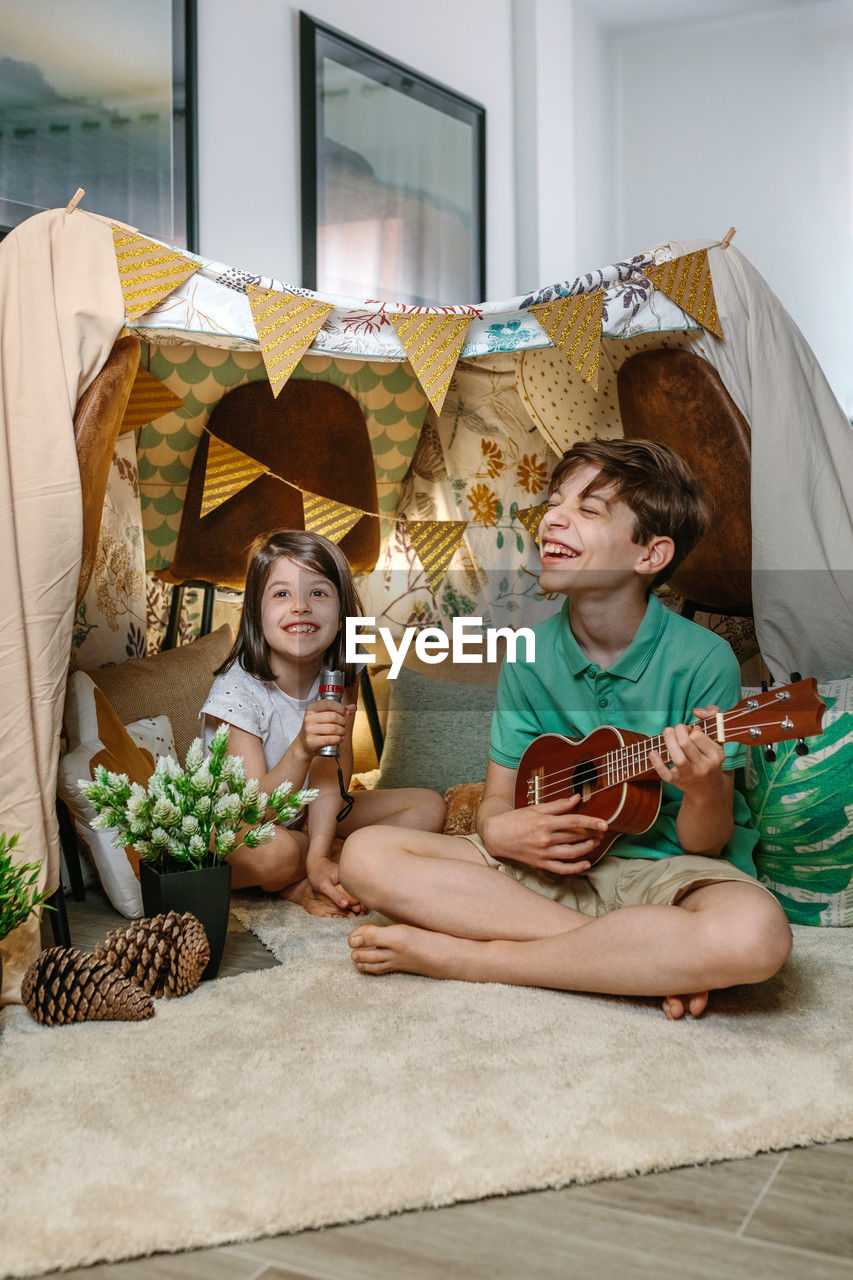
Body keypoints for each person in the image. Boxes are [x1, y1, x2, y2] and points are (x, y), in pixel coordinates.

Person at [340, 439, 792, 1017]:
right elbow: (497, 804)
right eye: (555, 502)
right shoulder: (527, 656)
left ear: (650, 556)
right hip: (544, 876)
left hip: (666, 873)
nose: (553, 516)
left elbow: (707, 842)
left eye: (589, 509)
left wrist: (703, 786)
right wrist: (502, 834)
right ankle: (631, 959)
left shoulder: (705, 661)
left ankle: (474, 960)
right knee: (365, 856)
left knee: (757, 935)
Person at [201, 529, 445, 917]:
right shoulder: (236, 691)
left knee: (428, 807)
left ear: (341, 609)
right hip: (241, 826)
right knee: (276, 852)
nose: (300, 606)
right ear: (255, 611)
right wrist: (301, 749)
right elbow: (252, 811)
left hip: (309, 813)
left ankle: (319, 861)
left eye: (318, 592)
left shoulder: (340, 670)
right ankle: (308, 875)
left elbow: (335, 778)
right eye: (282, 594)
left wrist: (317, 849)